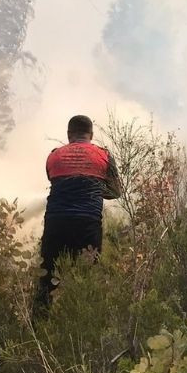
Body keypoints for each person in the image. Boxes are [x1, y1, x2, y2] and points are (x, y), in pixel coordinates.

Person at [36, 115, 122, 312]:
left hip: (55, 223)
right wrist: (94, 191)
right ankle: (83, 324)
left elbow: (53, 179)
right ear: (91, 135)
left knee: (47, 278)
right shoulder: (104, 156)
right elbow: (116, 191)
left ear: (68, 135)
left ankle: (38, 326)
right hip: (87, 224)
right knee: (88, 277)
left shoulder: (54, 155)